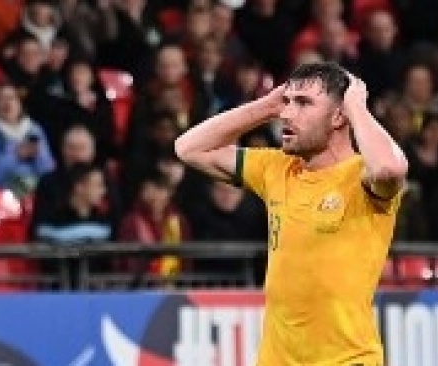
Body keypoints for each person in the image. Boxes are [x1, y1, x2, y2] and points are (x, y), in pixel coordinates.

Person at [174, 62, 408, 365]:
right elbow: (188, 148)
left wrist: (357, 107)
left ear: (339, 116)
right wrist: (266, 106)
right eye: (288, 102)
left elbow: (390, 168)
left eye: (304, 103)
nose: (287, 114)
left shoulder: (361, 177)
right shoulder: (277, 168)